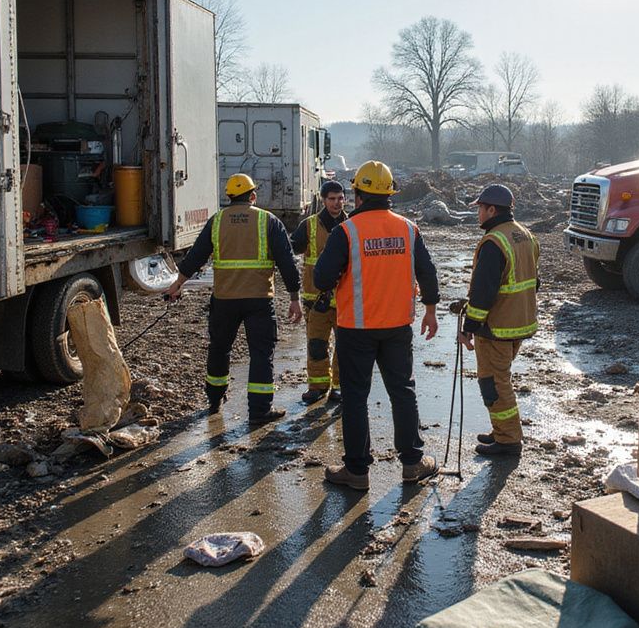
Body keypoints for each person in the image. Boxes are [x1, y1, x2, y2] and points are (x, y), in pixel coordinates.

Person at [313, 160, 440, 491]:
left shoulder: (346, 231)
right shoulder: (408, 229)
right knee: (403, 391)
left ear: (357, 195)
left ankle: (357, 472)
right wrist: (430, 310)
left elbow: (322, 277)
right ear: (389, 195)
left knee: (355, 396)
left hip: (356, 328)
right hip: (398, 326)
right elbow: (427, 272)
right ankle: (413, 464)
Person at [165, 173, 302, 423]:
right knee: (261, 354)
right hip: (259, 300)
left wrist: (177, 285)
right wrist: (295, 297)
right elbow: (287, 263)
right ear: (252, 196)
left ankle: (215, 401)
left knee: (220, 349)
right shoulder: (268, 221)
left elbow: (196, 256)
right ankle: (259, 412)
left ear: (229, 197)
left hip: (225, 300)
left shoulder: (217, 221)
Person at [459, 183, 539, 456]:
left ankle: (508, 439)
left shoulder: (494, 241)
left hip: (496, 328)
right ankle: (502, 430)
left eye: (480, 209)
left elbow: (483, 294)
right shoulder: (524, 235)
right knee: (501, 379)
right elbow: (533, 281)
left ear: (492, 210)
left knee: (493, 383)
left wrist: (469, 327)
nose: (478, 214)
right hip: (519, 324)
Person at [290, 180, 347, 407]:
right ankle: (317, 387)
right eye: (332, 199)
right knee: (316, 345)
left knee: (344, 347)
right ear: (323, 200)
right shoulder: (310, 226)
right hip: (316, 300)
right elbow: (291, 249)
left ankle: (339, 388)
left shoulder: (352, 224)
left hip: (344, 300)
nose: (337, 203)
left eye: (340, 198)